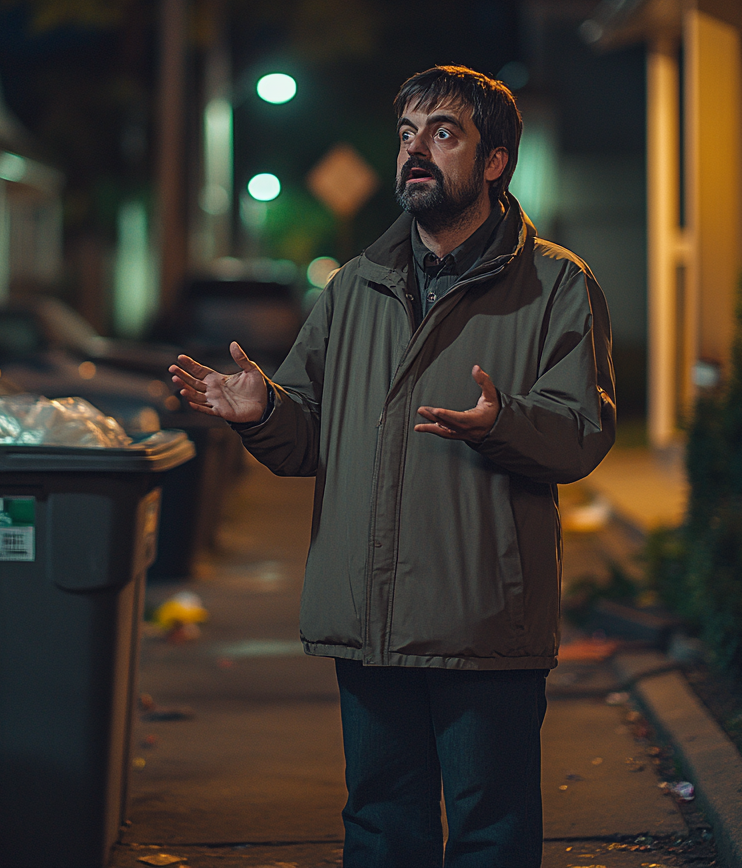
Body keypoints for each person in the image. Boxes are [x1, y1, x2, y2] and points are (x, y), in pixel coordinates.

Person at [170, 65, 616, 868]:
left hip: (484, 620)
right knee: (379, 827)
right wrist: (264, 410)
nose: (417, 150)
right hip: (369, 621)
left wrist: (502, 423)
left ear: (494, 161)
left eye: (444, 133)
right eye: (408, 133)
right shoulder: (353, 288)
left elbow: (581, 433)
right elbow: (309, 438)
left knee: (492, 833)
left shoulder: (555, 285)